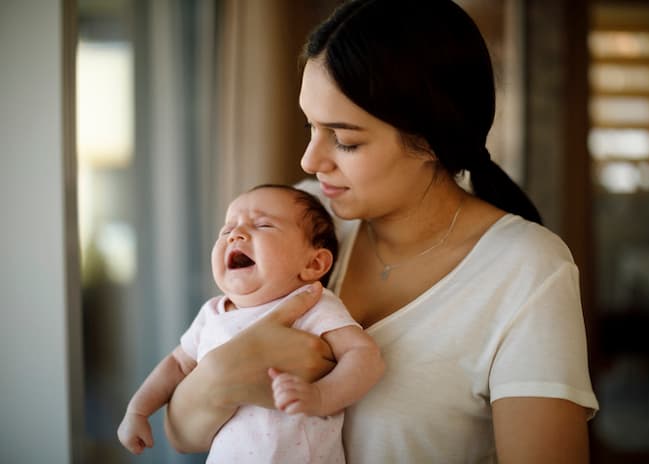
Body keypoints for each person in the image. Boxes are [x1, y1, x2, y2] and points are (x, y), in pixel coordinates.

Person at [164, 1, 600, 462]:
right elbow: (182, 433)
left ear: (432, 139)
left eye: (346, 140)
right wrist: (222, 373)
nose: (310, 161)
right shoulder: (304, 220)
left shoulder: (527, 271)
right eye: (310, 125)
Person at [117, 184, 384, 463]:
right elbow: (177, 364)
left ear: (314, 264)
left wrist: (320, 396)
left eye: (263, 225)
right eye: (226, 229)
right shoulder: (213, 313)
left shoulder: (312, 304)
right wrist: (138, 410)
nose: (236, 235)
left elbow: (365, 356)